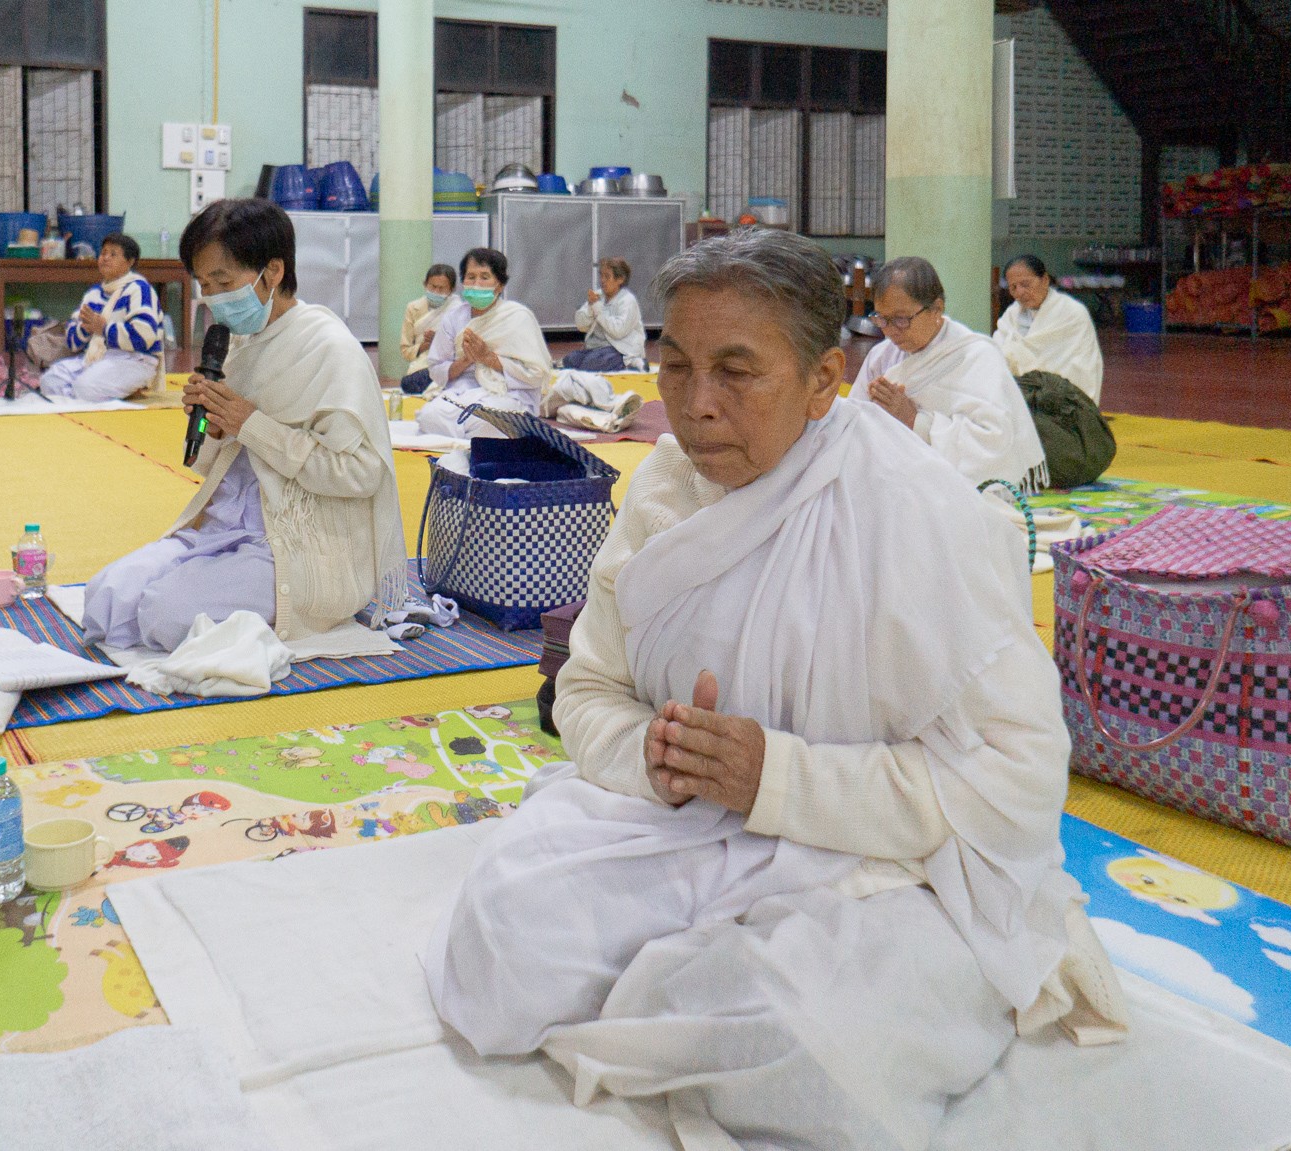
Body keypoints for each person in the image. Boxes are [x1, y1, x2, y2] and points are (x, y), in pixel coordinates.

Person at [425, 229, 1126, 1150]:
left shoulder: (918, 513)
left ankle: (708, 1000)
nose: (696, 406)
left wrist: (779, 780)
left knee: (802, 1044)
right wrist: (654, 757)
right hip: (680, 825)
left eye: (736, 371)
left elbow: (1015, 783)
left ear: (824, 378)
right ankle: (671, 989)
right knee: (504, 935)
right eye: (677, 366)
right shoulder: (666, 489)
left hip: (880, 866)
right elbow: (589, 689)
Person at [80, 200, 408, 654]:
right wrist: (215, 430)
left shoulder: (328, 348)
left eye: (224, 282)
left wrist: (251, 424)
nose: (213, 297)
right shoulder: (238, 345)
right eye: (204, 284)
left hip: (296, 542)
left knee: (164, 614)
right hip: (223, 527)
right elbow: (215, 467)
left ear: (272, 271)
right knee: (105, 598)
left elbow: (361, 473)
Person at [856, 256, 1049, 493]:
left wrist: (915, 420)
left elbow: (994, 441)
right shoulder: (880, 357)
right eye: (881, 319)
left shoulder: (977, 356)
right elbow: (855, 426)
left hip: (963, 491)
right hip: (895, 482)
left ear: (936, 309)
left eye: (901, 319)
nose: (890, 331)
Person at [412, 248, 553, 438]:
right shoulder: (453, 318)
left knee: (490, 421)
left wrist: (489, 358)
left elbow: (535, 374)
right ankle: (470, 438)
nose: (477, 284)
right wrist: (466, 360)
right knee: (429, 416)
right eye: (471, 277)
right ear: (463, 282)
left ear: (499, 285)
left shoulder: (517, 316)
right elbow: (436, 369)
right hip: (462, 393)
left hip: (508, 393)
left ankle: (465, 436)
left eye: (485, 277)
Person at [40, 233, 164, 403]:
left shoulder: (139, 289)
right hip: (97, 357)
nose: (105, 258)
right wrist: (85, 329)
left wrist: (104, 329)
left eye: (113, 254)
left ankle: (98, 394)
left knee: (85, 388)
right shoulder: (94, 293)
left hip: (135, 359)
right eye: (103, 253)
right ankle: (100, 396)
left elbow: (144, 337)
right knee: (50, 381)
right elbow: (72, 341)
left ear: (130, 262)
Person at [994, 255, 1105, 404]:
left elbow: (1078, 370)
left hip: (1064, 401)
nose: (1019, 292)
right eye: (1013, 287)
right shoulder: (1011, 315)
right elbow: (996, 354)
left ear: (1045, 280)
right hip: (1020, 395)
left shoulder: (1072, 313)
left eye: (1025, 284)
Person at [562, 257, 647, 372]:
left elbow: (618, 331)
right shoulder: (598, 296)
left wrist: (598, 309)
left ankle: (633, 362)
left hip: (621, 348)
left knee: (591, 364)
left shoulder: (628, 300)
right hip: (597, 348)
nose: (602, 280)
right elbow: (581, 326)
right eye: (601, 276)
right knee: (570, 360)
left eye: (607, 277)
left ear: (620, 279)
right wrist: (591, 309)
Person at [398, 264, 459, 384]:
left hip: (449, 364)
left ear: (452, 289)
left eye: (441, 288)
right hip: (422, 366)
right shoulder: (413, 308)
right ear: (425, 284)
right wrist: (424, 345)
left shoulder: (458, 309)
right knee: (408, 383)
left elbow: (461, 349)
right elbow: (405, 351)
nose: (436, 292)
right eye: (433, 287)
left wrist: (440, 341)